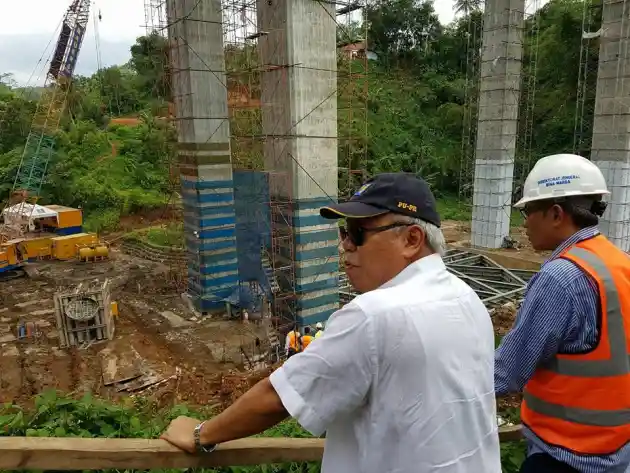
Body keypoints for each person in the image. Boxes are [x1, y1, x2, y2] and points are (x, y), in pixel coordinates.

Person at [160, 172, 501, 473]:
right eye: (343, 233)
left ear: (412, 240)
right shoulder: (466, 299)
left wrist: (200, 434)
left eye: (357, 233)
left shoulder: (374, 314)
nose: (345, 246)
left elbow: (279, 398)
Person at [495, 153, 630, 473]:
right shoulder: (618, 263)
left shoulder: (560, 278)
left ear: (556, 214)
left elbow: (507, 373)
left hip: (563, 456)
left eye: (528, 210)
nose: (524, 222)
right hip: (616, 451)